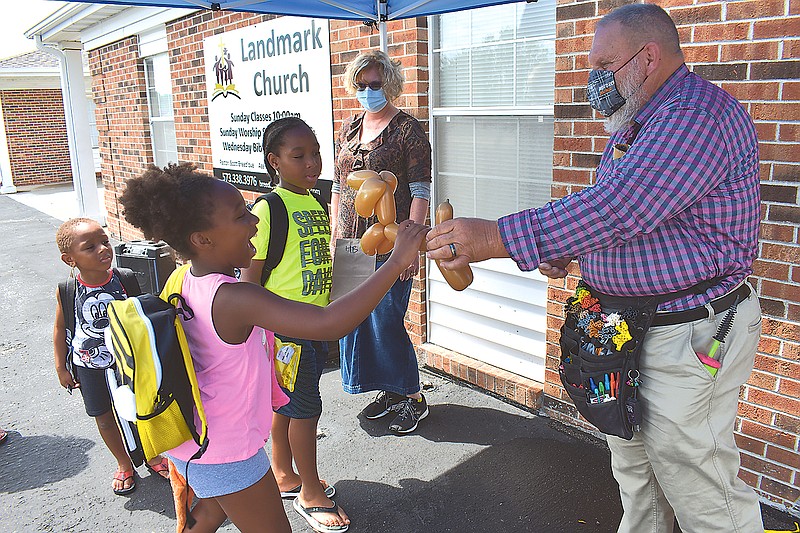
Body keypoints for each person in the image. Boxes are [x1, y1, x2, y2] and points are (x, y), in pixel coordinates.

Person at [426, 4, 763, 533]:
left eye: (603, 64)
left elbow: (625, 206)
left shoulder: (696, 115)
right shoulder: (640, 119)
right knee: (637, 475)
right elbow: (627, 218)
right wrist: (576, 249)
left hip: (690, 335)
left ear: (648, 57)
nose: (593, 79)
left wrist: (496, 237)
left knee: (702, 486)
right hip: (629, 332)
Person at [119, 162, 427, 532]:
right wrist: (396, 261)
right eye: (240, 216)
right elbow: (328, 323)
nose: (254, 221)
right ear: (202, 239)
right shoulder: (234, 298)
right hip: (227, 454)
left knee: (212, 512)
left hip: (194, 443)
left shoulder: (182, 277)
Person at [239, 117, 344, 532]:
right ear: (274, 161)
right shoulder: (269, 208)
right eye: (298, 155)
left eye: (316, 153)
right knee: (305, 410)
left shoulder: (313, 201)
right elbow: (249, 280)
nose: (311, 162)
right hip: (287, 332)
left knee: (286, 404)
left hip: (312, 325)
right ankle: (311, 493)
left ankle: (284, 473)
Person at [331, 49, 432, 435]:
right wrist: (334, 233)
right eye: (361, 85)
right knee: (357, 321)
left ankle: (412, 396)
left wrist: (411, 245)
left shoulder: (407, 129)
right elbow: (339, 186)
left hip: (389, 242)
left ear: (389, 84)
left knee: (385, 321)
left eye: (375, 84)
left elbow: (420, 190)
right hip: (352, 245)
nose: (368, 91)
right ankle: (388, 391)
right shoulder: (351, 127)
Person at [53, 218, 170, 496]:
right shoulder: (67, 290)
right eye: (90, 247)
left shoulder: (125, 278)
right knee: (104, 416)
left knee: (139, 412)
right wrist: (61, 367)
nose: (104, 249)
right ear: (70, 259)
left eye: (105, 242)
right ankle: (124, 463)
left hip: (127, 365)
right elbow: (60, 328)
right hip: (89, 366)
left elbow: (143, 320)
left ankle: (152, 455)